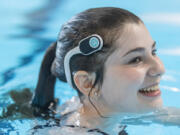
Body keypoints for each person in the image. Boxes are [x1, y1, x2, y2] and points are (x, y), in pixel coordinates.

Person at [31, 7, 179, 135]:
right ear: (87, 83)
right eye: (135, 59)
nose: (160, 68)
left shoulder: (108, 111)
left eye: (153, 51)